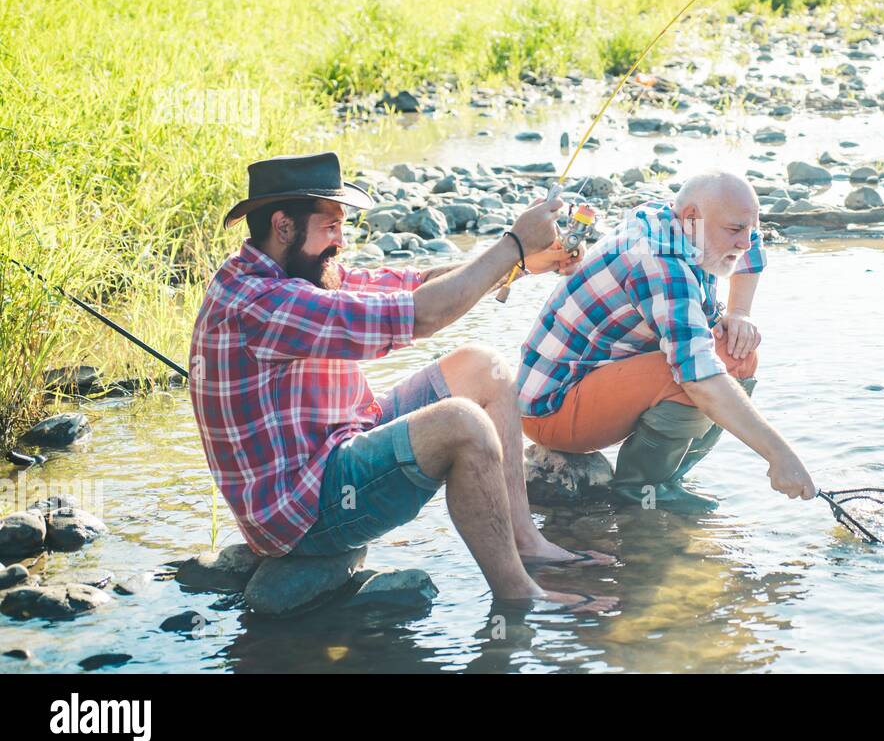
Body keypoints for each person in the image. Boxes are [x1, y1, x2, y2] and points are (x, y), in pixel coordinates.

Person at [190, 152, 615, 612]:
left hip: (337, 449)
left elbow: (411, 285)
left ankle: (524, 540)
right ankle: (519, 598)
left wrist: (524, 262)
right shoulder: (264, 301)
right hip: (302, 512)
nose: (341, 240)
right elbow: (422, 314)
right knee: (462, 425)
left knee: (483, 366)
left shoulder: (297, 269)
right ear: (284, 226)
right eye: (331, 226)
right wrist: (512, 243)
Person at [517, 169, 816, 512]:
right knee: (698, 372)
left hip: (599, 379)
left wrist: (740, 314)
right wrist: (779, 455)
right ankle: (642, 493)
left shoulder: (683, 220)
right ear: (691, 218)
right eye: (735, 230)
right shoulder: (659, 262)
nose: (745, 241)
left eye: (751, 228)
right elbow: (699, 376)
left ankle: (670, 478)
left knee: (738, 350)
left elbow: (750, 250)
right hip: (550, 408)